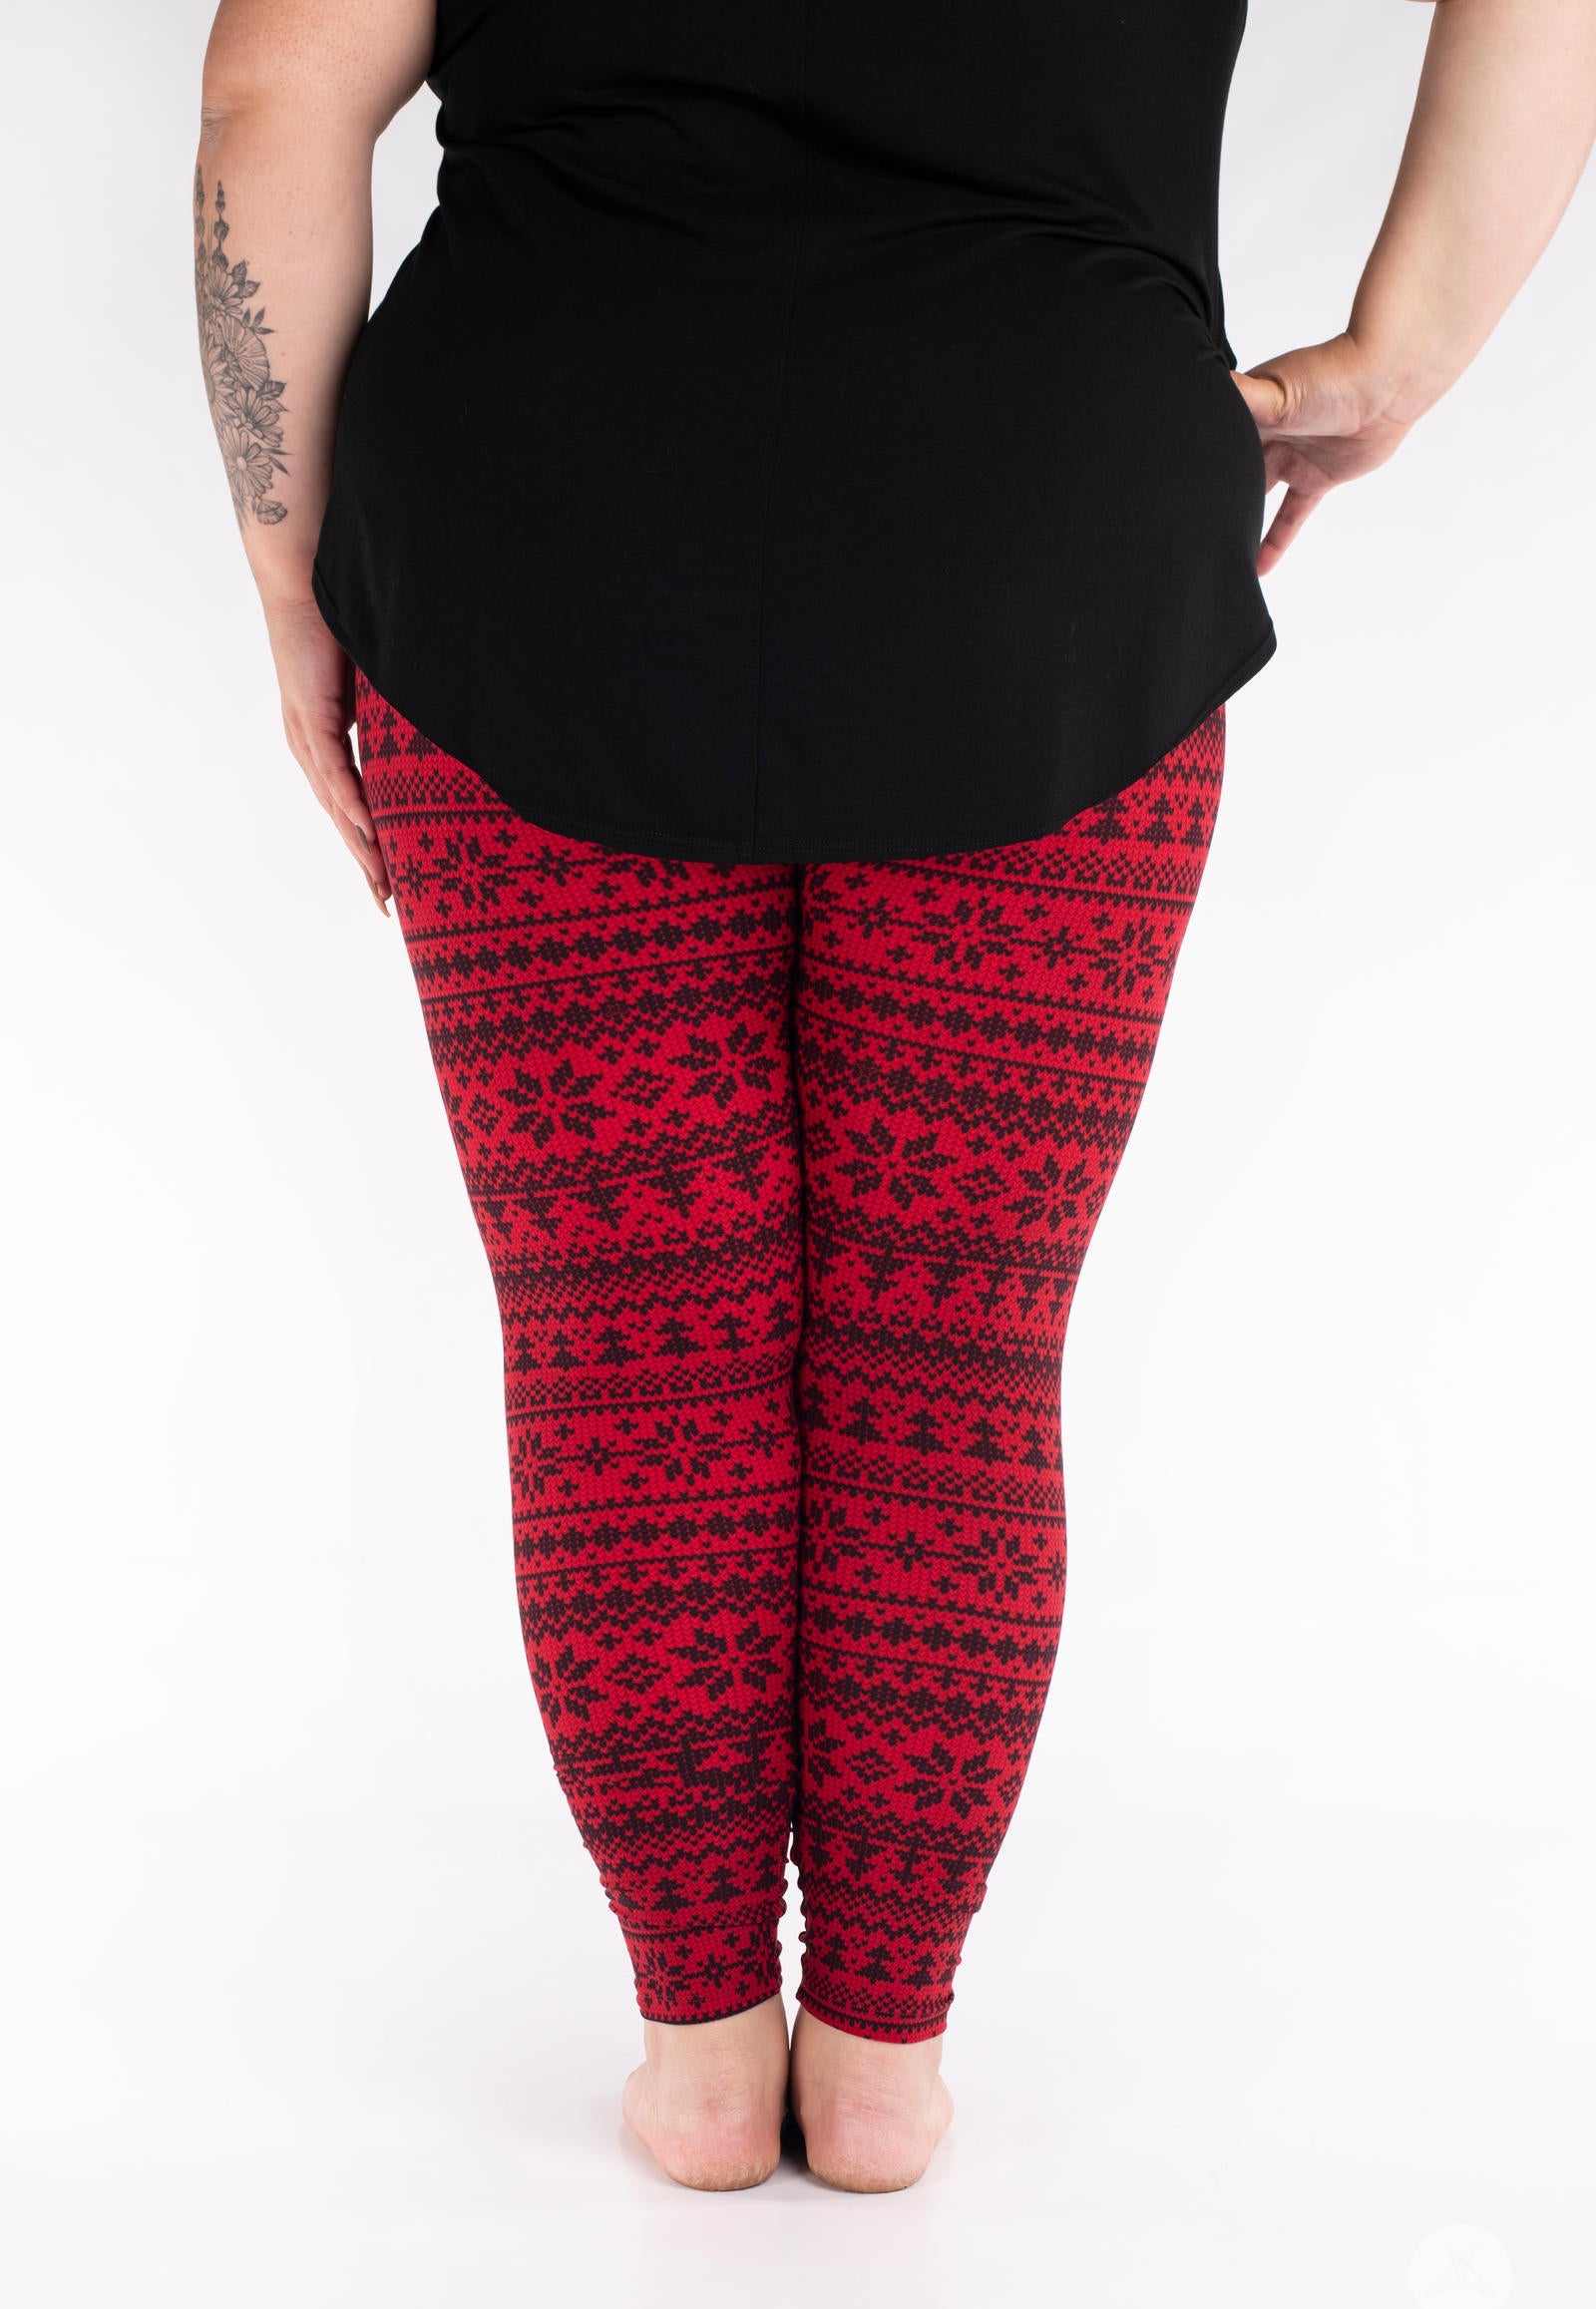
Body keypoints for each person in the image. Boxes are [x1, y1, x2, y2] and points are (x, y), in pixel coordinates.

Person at [194, 0, 1596, 2194]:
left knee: (624, 1343)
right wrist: (1398, 356)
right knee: (955, 1346)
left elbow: (276, 89)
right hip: (1047, 516)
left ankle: (696, 2052)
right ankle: (878, 2059)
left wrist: (291, 574)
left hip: (527, 524)